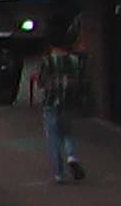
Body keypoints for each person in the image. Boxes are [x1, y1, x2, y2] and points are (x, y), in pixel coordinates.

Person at [31, 35, 89, 184]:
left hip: (51, 102)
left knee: (53, 138)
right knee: (67, 133)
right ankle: (72, 156)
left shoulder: (47, 61)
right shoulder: (74, 60)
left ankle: (59, 174)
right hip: (68, 102)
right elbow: (81, 80)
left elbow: (41, 82)